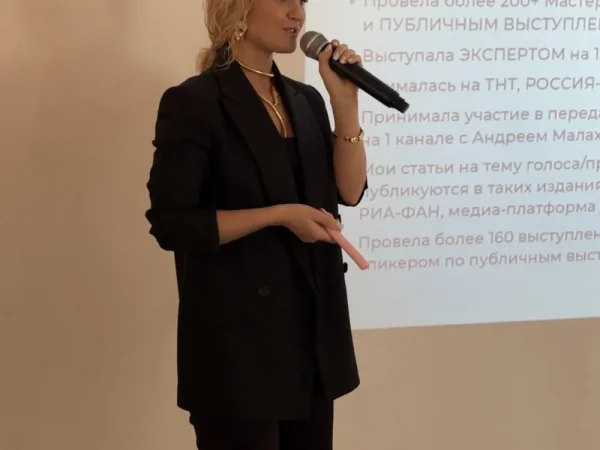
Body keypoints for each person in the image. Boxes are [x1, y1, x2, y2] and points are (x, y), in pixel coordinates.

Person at [144, 0, 368, 448]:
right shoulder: (194, 102)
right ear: (240, 9)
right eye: (283, 0)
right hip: (238, 353)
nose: (298, 13)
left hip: (310, 343)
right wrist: (279, 215)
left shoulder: (305, 100)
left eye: (302, 1)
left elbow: (349, 190)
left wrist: (345, 105)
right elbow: (174, 223)